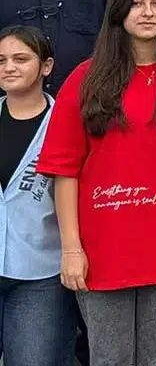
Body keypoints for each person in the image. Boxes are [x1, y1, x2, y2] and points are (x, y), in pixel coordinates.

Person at [36, 0, 156, 366]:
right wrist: (71, 249)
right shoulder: (85, 79)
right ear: (118, 11)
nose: (147, 12)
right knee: (110, 358)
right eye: (135, 3)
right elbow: (64, 171)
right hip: (103, 251)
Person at [0, 25, 76, 365]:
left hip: (41, 273)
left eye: (20, 59)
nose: (9, 67)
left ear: (46, 66)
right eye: (1, 60)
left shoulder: (66, 122)